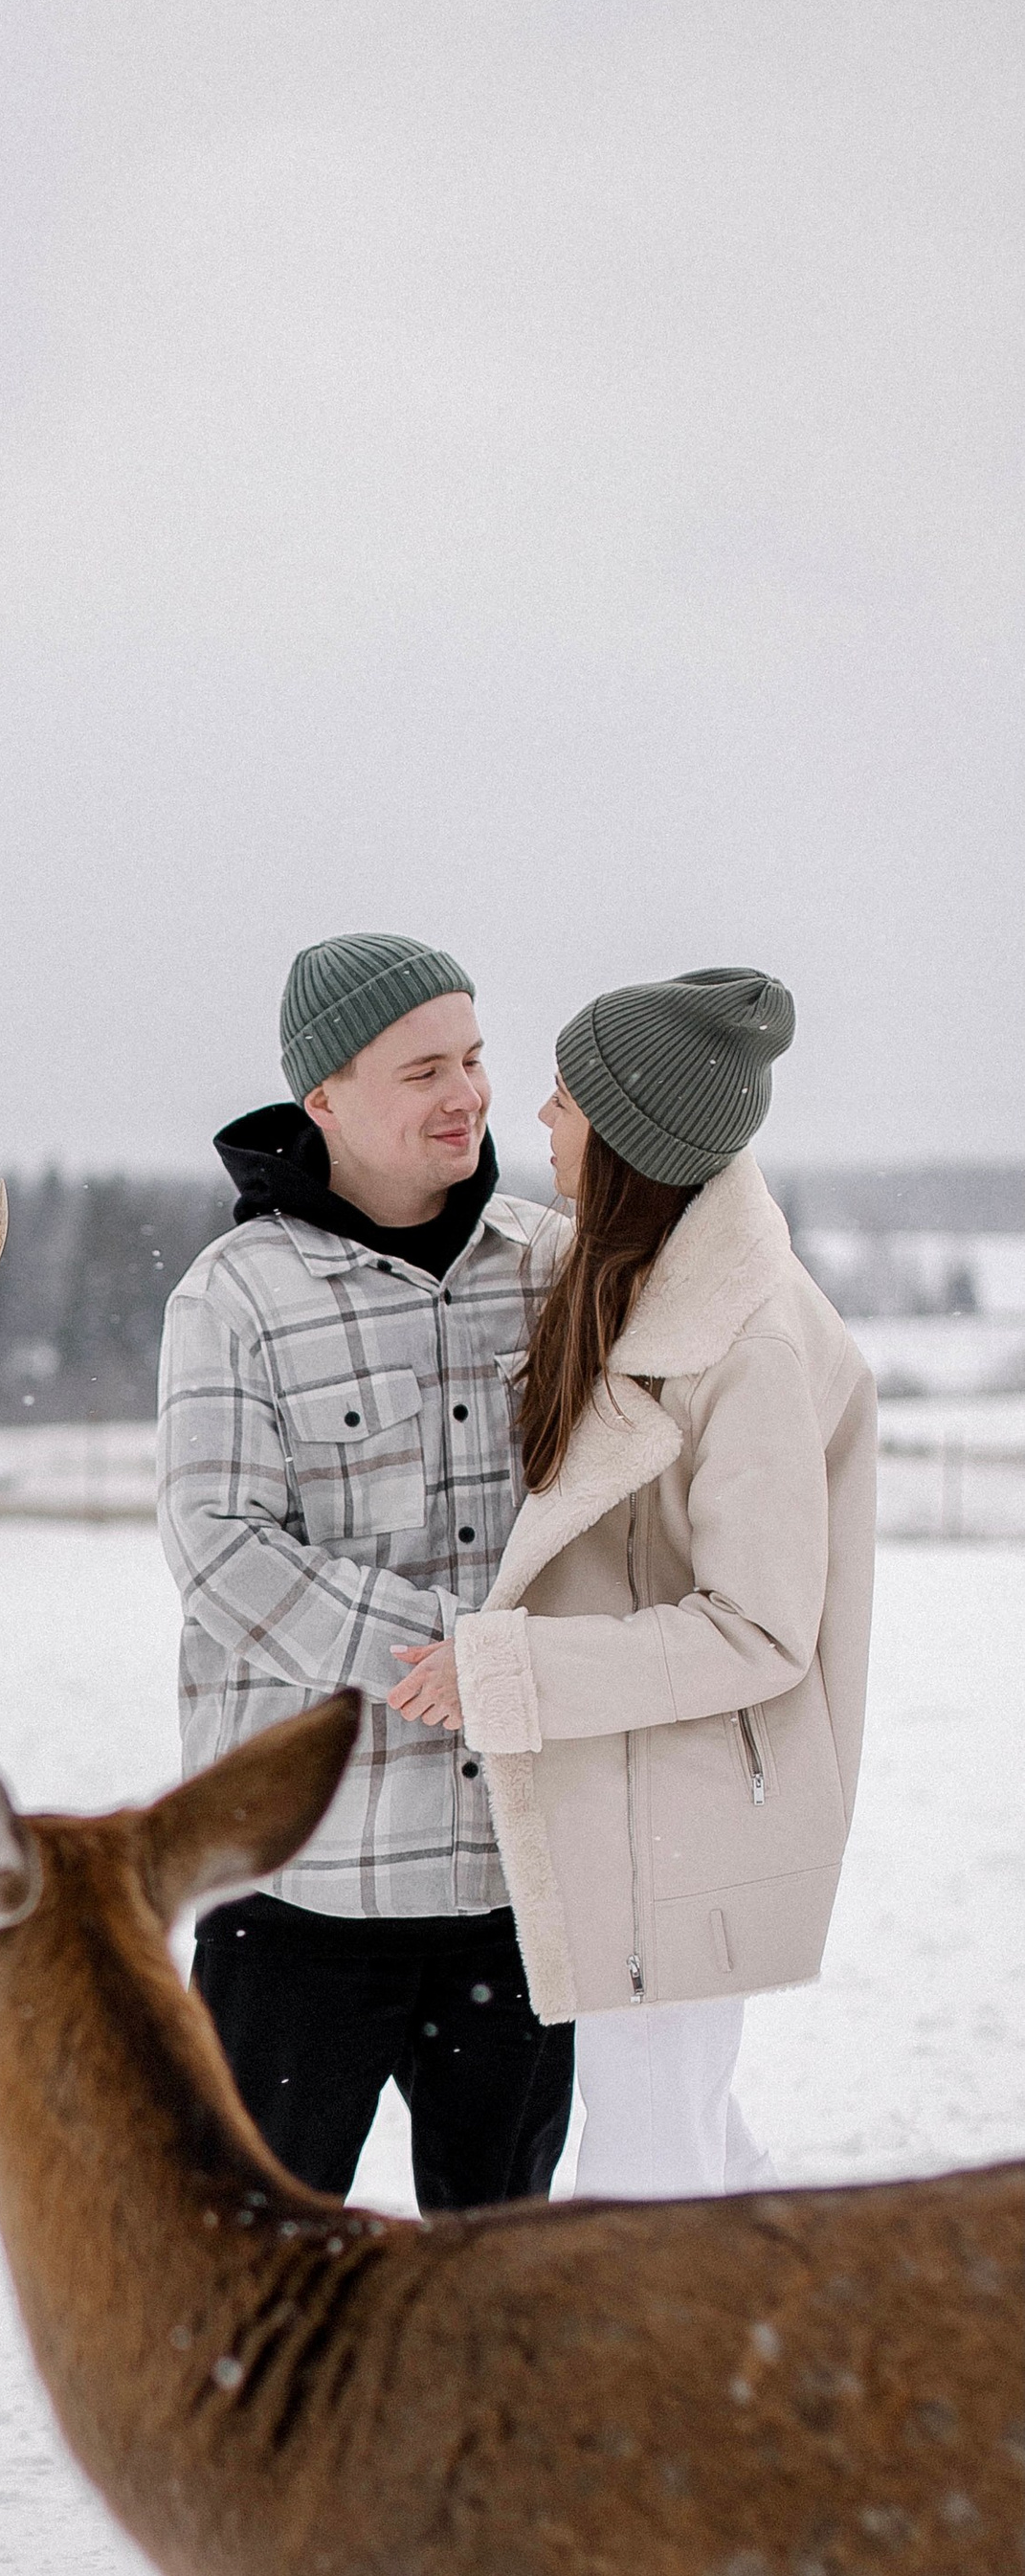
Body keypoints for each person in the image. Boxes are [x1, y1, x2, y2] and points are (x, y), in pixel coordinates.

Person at [389, 969, 876, 2199]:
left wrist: (504, 1670)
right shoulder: (640, 1283)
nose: (535, 1121)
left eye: (560, 1100)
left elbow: (758, 1631)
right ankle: (828, 2347)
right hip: (640, 1804)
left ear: (627, 1141)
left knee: (650, 2174)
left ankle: (686, 2394)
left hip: (687, 1814)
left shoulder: (748, 1339)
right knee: (694, 2135)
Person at [157, 932, 573, 2211]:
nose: (466, 1095)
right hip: (304, 1890)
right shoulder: (237, 1299)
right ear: (324, 1099)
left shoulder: (549, 1271)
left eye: (474, 1059)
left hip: (515, 1885)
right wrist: (444, 1656)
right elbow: (221, 1551)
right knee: (252, 2279)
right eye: (422, 1071)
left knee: (498, 2283)